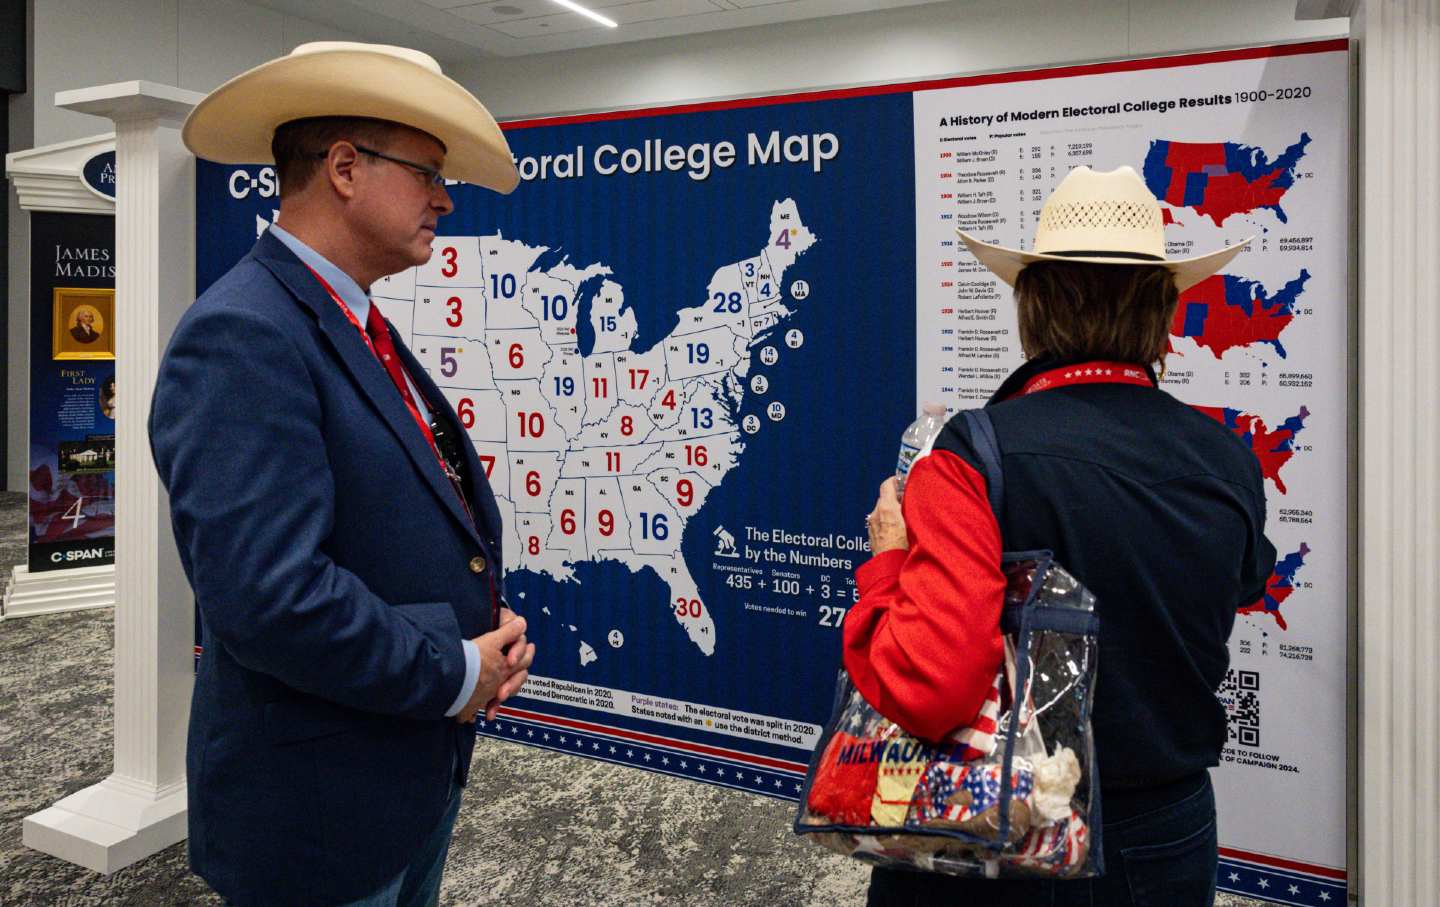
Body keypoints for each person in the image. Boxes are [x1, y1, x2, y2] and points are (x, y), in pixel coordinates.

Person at [150, 42, 535, 906]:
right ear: (346, 169)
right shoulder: (243, 335)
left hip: (397, 774)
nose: (443, 198)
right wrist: (452, 670)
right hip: (315, 813)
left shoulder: (348, 320)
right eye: (428, 172)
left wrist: (476, 618)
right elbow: (270, 598)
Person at [846, 166, 1277, 906]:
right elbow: (1243, 582)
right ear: (1163, 312)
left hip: (997, 825)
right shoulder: (1227, 456)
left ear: (1033, 305)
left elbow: (928, 686)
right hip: (1167, 832)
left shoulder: (971, 455)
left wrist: (888, 560)